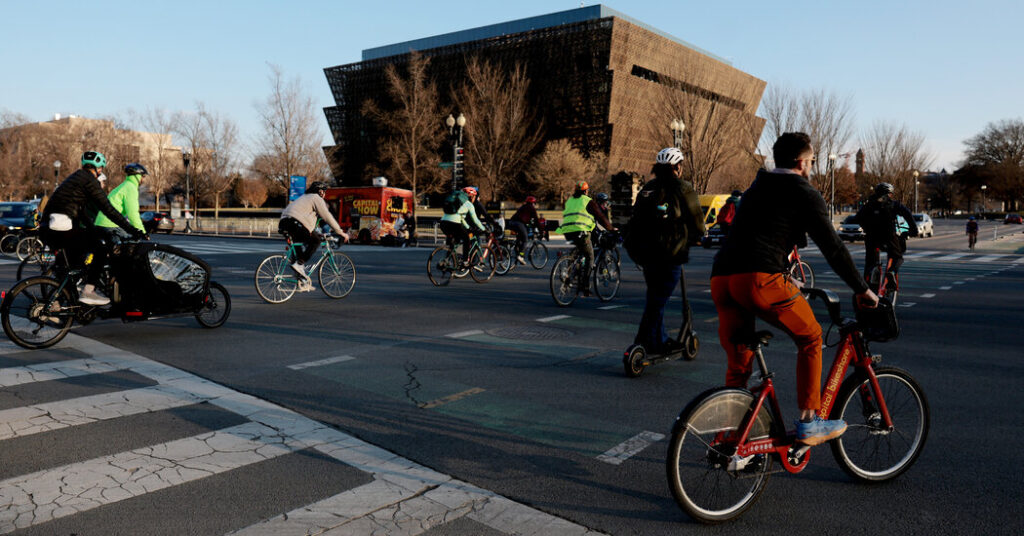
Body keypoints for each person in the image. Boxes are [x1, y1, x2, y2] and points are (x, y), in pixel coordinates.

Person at [710, 132, 878, 446]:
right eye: (812, 161)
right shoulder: (803, 191)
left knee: (739, 361)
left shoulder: (755, 188)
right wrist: (863, 289)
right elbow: (834, 249)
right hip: (758, 279)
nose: (812, 167)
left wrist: (787, 274)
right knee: (812, 336)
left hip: (722, 278)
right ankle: (809, 421)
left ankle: (731, 441)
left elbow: (763, 234)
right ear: (802, 162)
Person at [624, 147, 704, 353]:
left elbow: (636, 217)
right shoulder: (683, 188)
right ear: (677, 166)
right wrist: (698, 236)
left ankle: (659, 340)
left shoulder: (648, 188)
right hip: (671, 252)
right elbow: (695, 217)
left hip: (645, 252)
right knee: (657, 301)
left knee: (654, 296)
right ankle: (641, 342)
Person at [41, 151, 146, 305]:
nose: (101, 172)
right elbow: (107, 209)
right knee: (100, 248)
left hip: (49, 228)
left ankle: (59, 303)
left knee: (73, 265)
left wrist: (93, 229)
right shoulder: (90, 180)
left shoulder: (76, 177)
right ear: (98, 168)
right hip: (61, 228)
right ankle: (88, 291)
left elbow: (80, 211)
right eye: (101, 168)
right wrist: (132, 230)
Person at [279, 181, 350, 289]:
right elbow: (326, 216)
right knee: (315, 241)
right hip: (294, 223)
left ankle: (301, 281)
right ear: (320, 191)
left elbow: (309, 224)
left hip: (284, 223)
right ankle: (299, 265)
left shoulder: (304, 197)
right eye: (324, 191)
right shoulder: (316, 198)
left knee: (298, 249)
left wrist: (319, 233)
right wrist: (340, 232)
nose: (325, 194)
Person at [555, 181, 614, 297]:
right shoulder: (588, 201)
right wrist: (611, 228)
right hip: (581, 231)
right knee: (590, 256)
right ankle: (585, 286)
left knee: (580, 252)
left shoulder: (571, 200)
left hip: (567, 231)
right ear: (586, 191)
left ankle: (574, 268)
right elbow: (600, 217)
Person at [853, 182, 918, 285]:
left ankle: (866, 284)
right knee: (897, 256)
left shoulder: (869, 205)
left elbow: (857, 218)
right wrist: (913, 231)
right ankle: (891, 271)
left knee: (870, 262)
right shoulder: (893, 204)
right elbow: (908, 214)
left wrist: (866, 228)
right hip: (888, 236)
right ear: (889, 194)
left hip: (871, 236)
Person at [95, 163, 148, 240]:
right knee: (134, 240)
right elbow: (132, 213)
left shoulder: (124, 185)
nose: (143, 179)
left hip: (101, 223)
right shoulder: (130, 188)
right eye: (143, 176)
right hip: (110, 225)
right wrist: (142, 232)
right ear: (137, 176)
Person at [439, 186, 486, 266]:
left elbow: (461, 219)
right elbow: (476, 220)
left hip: (443, 223)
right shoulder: (469, 204)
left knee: (454, 242)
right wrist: (484, 229)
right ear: (472, 196)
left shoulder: (458, 204)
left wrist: (468, 228)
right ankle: (465, 261)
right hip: (454, 224)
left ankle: (446, 261)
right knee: (466, 239)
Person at [507, 196, 540, 264]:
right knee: (525, 240)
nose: (534, 204)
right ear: (532, 203)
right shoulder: (531, 208)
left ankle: (517, 251)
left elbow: (527, 220)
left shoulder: (523, 207)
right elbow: (536, 220)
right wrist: (541, 230)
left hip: (511, 222)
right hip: (518, 224)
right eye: (534, 203)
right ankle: (520, 256)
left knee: (520, 239)